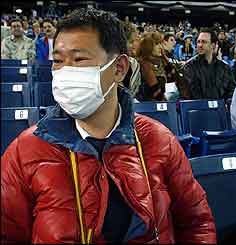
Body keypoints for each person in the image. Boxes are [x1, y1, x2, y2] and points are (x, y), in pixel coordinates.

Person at [1, 8, 216, 244]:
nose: (65, 72)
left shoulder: (159, 140)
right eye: (58, 61)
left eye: (79, 59)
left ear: (119, 68)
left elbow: (196, 224)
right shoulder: (24, 152)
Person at [182, 27, 236, 100]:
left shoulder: (225, 68)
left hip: (220, 110)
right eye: (198, 42)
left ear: (213, 45)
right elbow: (191, 94)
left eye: (204, 42)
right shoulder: (189, 66)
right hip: (198, 109)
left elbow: (231, 93)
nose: (200, 45)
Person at [136, 31, 168, 101]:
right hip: (148, 107)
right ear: (148, 46)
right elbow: (155, 92)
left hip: (159, 104)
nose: (160, 47)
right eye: (157, 44)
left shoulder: (159, 61)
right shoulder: (144, 64)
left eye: (160, 43)